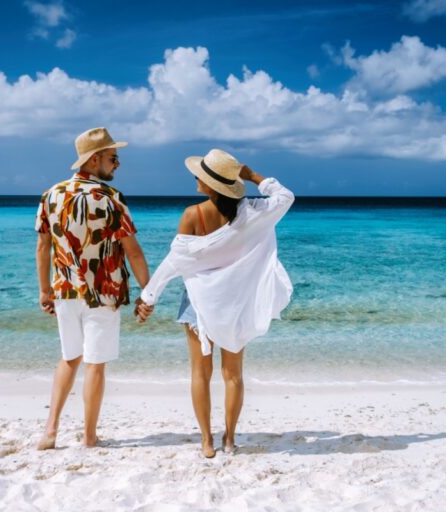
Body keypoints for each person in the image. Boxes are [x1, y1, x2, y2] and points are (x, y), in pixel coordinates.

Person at [136, 149, 294, 458]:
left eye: (201, 176)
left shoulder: (193, 215)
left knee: (200, 373)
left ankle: (207, 441)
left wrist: (149, 296)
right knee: (233, 374)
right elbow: (285, 196)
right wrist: (253, 176)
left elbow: (173, 262)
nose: (196, 178)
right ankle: (230, 440)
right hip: (235, 303)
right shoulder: (252, 211)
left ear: (210, 185)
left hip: (198, 302)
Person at [35, 127, 151, 449]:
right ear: (94, 159)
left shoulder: (51, 195)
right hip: (104, 293)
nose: (117, 164)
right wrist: (148, 292)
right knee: (95, 364)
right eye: (113, 158)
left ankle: (50, 431)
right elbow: (133, 251)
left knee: (68, 358)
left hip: (65, 292)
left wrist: (45, 291)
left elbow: (43, 248)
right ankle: (89, 437)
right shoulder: (112, 199)